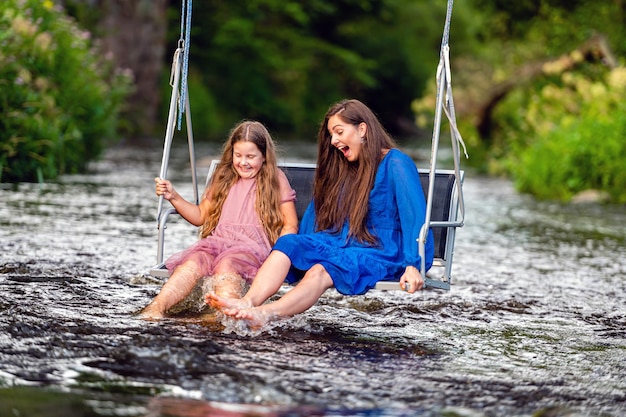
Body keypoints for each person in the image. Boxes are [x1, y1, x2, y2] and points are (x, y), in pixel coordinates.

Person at [206, 99, 434, 328]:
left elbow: (414, 218)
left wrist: (413, 264)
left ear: (362, 129)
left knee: (321, 269)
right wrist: (298, 249)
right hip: (342, 242)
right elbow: (317, 214)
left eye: (339, 132)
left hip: (382, 250)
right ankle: (247, 302)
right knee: (290, 244)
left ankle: (266, 313)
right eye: (331, 134)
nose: (334, 140)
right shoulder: (344, 167)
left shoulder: (396, 163)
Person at [139, 120, 298, 319]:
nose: (243, 162)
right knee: (193, 261)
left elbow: (290, 224)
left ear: (264, 156)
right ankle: (157, 307)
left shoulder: (275, 178)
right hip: (219, 242)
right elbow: (200, 216)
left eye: (251, 156)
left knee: (228, 264)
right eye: (238, 155)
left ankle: (225, 314)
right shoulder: (224, 176)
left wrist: (278, 256)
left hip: (252, 248)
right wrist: (173, 197)